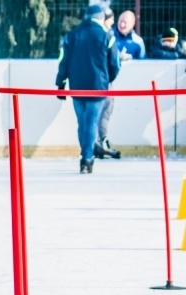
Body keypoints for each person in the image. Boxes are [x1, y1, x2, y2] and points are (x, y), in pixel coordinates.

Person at [55, 4, 121, 174]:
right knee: (91, 122)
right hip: (98, 87)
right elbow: (115, 64)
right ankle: (87, 158)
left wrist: (61, 83)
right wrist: (107, 80)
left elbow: (63, 61)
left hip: (76, 86)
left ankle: (86, 154)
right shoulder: (107, 36)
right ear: (101, 18)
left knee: (82, 122)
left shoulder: (72, 35)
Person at [95, 9, 146, 160]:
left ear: (133, 24)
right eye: (120, 21)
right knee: (101, 110)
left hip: (126, 86)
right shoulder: (108, 35)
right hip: (106, 82)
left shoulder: (138, 42)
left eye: (126, 22)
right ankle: (100, 140)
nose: (122, 24)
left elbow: (146, 65)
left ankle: (103, 141)